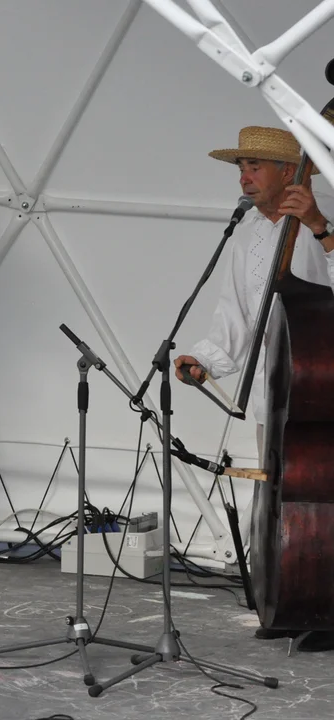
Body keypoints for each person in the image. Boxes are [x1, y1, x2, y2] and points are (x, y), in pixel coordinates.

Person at [173, 125, 334, 651]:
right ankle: (295, 599)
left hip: (325, 385)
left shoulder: (320, 220)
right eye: (241, 168)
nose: (243, 178)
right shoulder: (247, 236)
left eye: (254, 167)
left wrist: (317, 225)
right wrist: (205, 358)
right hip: (288, 389)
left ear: (291, 172)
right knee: (288, 502)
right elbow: (237, 318)